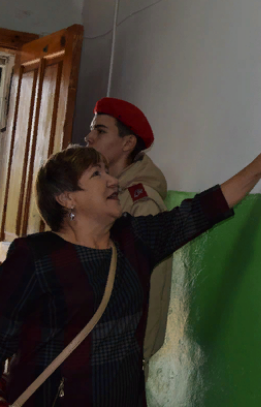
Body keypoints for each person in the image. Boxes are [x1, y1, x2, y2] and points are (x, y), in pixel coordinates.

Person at [0, 99, 261, 407]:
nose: (113, 182)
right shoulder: (34, 258)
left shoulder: (134, 239)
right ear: (66, 198)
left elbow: (204, 209)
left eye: (107, 172)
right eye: (97, 175)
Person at [84, 97, 171, 374]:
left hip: (117, 356)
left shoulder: (141, 204)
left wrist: (133, 352)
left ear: (127, 143)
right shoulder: (101, 194)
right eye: (92, 129)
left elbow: (148, 285)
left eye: (100, 131)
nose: (89, 137)